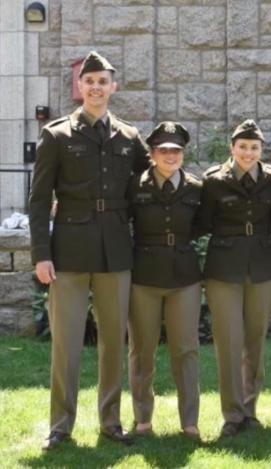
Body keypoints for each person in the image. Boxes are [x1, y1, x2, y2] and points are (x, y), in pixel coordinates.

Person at [29, 51, 150, 450]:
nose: (96, 87)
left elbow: (149, 184)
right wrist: (41, 254)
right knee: (66, 342)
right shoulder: (57, 135)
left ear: (114, 87)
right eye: (90, 81)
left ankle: (111, 421)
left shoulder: (129, 137)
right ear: (80, 87)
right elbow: (39, 198)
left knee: (114, 341)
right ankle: (61, 425)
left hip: (115, 251)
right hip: (69, 252)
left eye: (103, 81)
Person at [196, 119, 271, 438]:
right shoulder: (215, 181)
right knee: (229, 341)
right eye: (243, 146)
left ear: (261, 151)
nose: (248, 152)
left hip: (261, 265)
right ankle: (232, 413)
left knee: (255, 340)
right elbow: (205, 219)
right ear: (233, 148)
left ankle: (250, 408)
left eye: (254, 147)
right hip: (224, 267)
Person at [126, 122, 203, 442]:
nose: (170, 156)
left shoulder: (197, 188)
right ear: (153, 154)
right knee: (142, 350)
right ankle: (143, 418)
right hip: (144, 276)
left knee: (186, 350)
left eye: (176, 150)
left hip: (183, 277)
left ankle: (190, 422)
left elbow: (202, 224)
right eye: (164, 150)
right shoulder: (135, 186)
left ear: (182, 154)